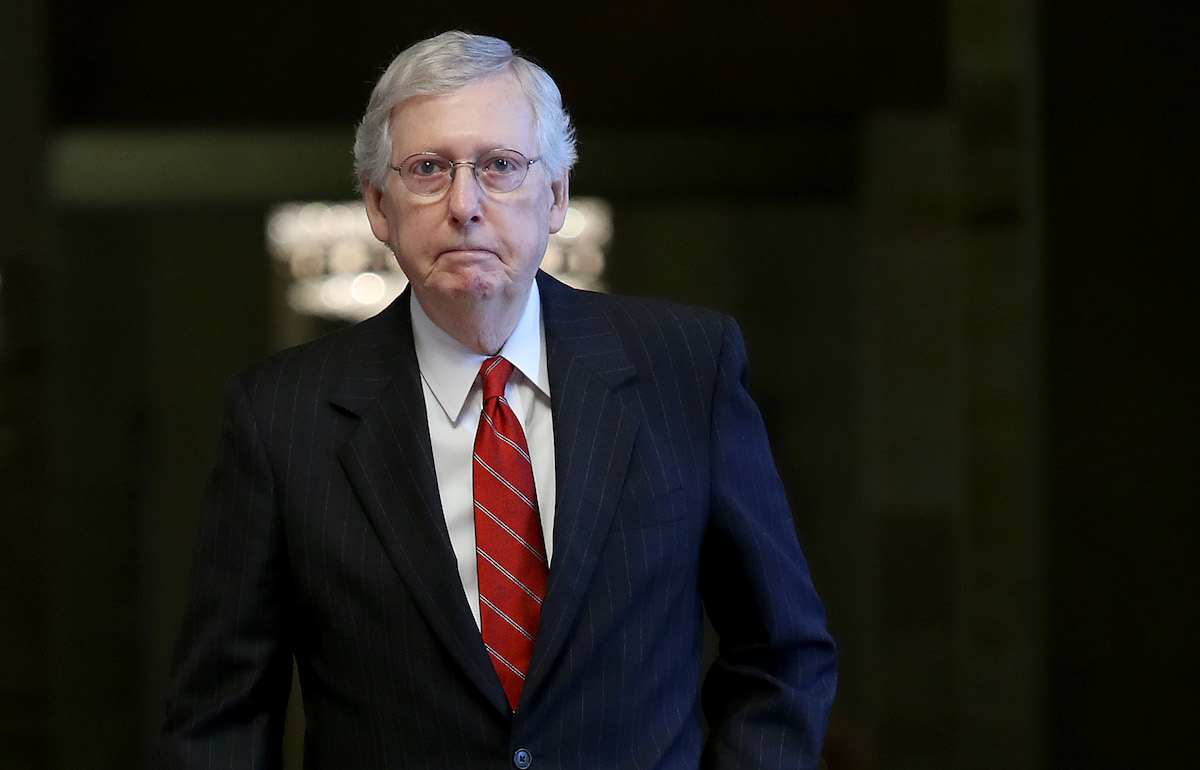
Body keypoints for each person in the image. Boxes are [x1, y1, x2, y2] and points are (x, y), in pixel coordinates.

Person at [162, 30, 836, 770]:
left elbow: (783, 654)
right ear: (378, 205)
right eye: (428, 169)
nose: (465, 205)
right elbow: (221, 718)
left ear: (556, 196)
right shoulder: (280, 417)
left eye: (501, 166)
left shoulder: (687, 369)